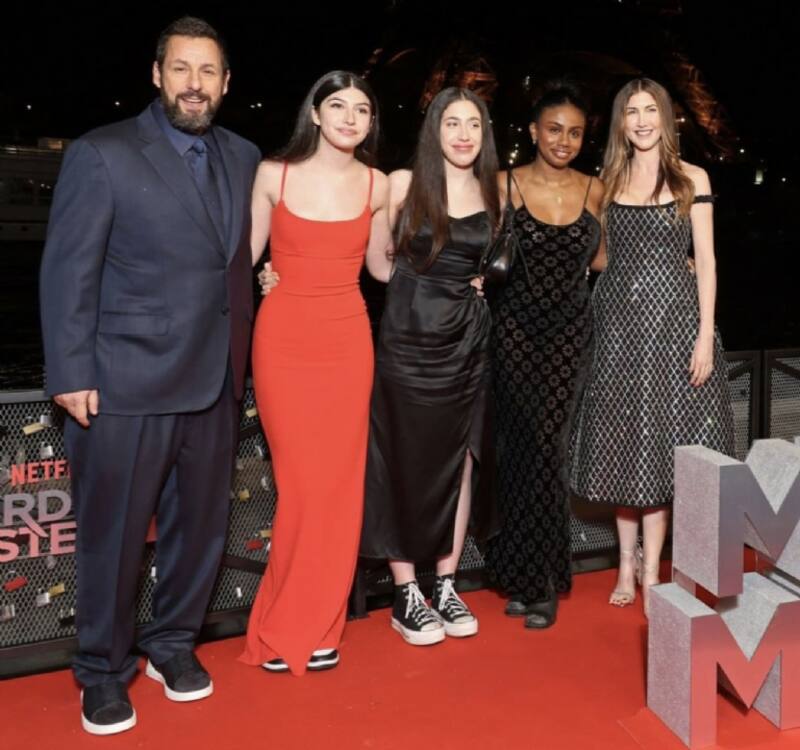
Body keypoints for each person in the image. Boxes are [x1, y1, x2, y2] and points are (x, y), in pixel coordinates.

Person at [39, 17, 260, 735]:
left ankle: (171, 645)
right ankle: (102, 671)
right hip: (124, 381)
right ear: (157, 74)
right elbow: (68, 269)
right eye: (182, 69)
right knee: (114, 537)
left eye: (208, 72)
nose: (195, 84)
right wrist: (70, 369)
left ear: (226, 83)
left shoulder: (245, 156)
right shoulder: (101, 153)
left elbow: (235, 259)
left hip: (215, 377)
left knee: (200, 529)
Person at [241, 71, 390, 675]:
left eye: (362, 109)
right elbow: (242, 258)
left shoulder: (379, 184)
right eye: (339, 106)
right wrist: (261, 277)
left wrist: (458, 269)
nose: (351, 118)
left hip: (348, 342)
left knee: (338, 487)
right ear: (316, 113)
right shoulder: (272, 175)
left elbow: (382, 268)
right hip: (283, 341)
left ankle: (320, 624)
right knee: (301, 485)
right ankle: (285, 620)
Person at [569, 78, 735, 616]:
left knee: (658, 446)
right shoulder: (608, 182)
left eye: (650, 110)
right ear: (620, 122)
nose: (641, 121)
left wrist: (705, 333)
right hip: (618, 326)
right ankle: (625, 564)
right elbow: (598, 256)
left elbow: (706, 260)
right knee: (625, 443)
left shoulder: (692, 178)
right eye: (631, 112)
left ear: (665, 117)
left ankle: (652, 568)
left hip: (674, 325)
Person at [359, 87, 500, 646]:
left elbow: (494, 263)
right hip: (408, 341)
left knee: (458, 462)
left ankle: (445, 583)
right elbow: (378, 265)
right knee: (401, 459)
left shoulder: (493, 191)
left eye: (474, 124)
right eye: (452, 123)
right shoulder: (401, 184)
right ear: (434, 129)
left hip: (467, 344)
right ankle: (405, 592)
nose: (464, 134)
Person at [483, 83, 605, 629]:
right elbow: (476, 247)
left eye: (575, 133)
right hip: (513, 332)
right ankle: (520, 571)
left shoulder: (594, 189)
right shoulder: (502, 184)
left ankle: (542, 580)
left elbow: (603, 260)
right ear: (533, 131)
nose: (564, 141)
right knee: (518, 450)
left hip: (569, 336)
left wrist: (679, 262)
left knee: (548, 448)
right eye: (554, 129)